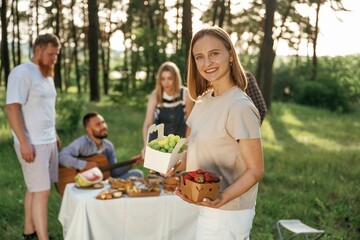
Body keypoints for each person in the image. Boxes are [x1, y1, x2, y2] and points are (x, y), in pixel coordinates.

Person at [172, 26, 265, 239]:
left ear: (230, 55)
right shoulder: (204, 100)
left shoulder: (239, 106)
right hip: (206, 203)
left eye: (214, 54)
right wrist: (175, 165)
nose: (207, 63)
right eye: (199, 57)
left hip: (228, 213)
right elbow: (197, 149)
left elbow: (256, 170)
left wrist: (222, 197)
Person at [5, 33, 61, 240]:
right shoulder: (22, 73)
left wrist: (53, 133)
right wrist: (24, 141)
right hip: (32, 143)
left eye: (56, 55)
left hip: (47, 140)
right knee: (43, 192)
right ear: (38, 49)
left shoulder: (45, 73)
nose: (54, 58)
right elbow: (12, 108)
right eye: (50, 54)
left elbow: (45, 108)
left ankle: (29, 231)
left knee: (35, 188)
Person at [59, 112, 143, 178]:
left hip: (103, 181)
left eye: (103, 122)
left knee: (137, 174)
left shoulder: (108, 146)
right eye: (98, 125)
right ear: (88, 130)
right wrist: (85, 165)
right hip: (80, 181)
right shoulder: (81, 143)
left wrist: (130, 163)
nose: (103, 126)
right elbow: (62, 157)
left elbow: (114, 172)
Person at [141, 61, 193, 158]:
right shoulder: (155, 96)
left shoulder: (185, 95)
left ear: (176, 79)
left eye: (170, 78)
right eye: (163, 79)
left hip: (178, 140)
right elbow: (147, 124)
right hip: (158, 141)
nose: (166, 82)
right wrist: (146, 146)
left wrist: (185, 146)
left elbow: (190, 123)